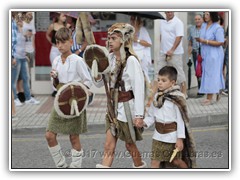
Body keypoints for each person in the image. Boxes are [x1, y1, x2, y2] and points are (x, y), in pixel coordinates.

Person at [93, 23, 147, 168]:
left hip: (126, 109)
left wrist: (139, 115)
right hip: (112, 109)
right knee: (108, 146)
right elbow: (99, 84)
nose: (110, 41)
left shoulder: (131, 61)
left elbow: (139, 89)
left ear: (123, 40)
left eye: (114, 38)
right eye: (109, 38)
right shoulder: (109, 58)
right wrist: (96, 72)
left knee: (130, 146)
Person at [45, 27, 92, 168]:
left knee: (74, 137)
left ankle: (75, 168)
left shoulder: (78, 60)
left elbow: (87, 80)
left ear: (71, 42)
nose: (60, 46)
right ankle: (61, 166)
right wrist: (54, 79)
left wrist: (80, 92)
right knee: (49, 135)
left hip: (75, 103)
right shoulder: (56, 61)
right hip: (59, 102)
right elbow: (55, 86)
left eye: (63, 42)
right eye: (57, 43)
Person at [137, 66, 196, 168]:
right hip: (158, 136)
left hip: (172, 137)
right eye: (158, 80)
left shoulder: (178, 97)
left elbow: (181, 120)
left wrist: (180, 139)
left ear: (172, 82)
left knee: (176, 161)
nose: (159, 82)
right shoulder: (156, 97)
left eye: (163, 80)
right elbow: (151, 116)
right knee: (154, 163)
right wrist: (144, 122)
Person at [196, 12, 225, 105]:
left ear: (212, 15)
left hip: (214, 55)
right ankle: (218, 90)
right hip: (205, 54)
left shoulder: (217, 28)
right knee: (207, 74)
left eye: (208, 14)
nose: (205, 16)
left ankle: (209, 98)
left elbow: (220, 42)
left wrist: (205, 41)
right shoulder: (204, 26)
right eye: (205, 14)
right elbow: (202, 38)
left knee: (212, 74)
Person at [11, 13, 40, 106]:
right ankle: (14, 98)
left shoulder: (22, 30)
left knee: (26, 78)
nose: (20, 20)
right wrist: (12, 57)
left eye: (21, 18)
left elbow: (24, 45)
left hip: (23, 57)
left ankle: (28, 98)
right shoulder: (13, 29)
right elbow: (11, 44)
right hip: (16, 57)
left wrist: (26, 55)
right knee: (14, 79)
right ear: (15, 20)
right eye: (18, 18)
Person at [157, 12, 187, 98]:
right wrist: (161, 48)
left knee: (179, 72)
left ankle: (184, 93)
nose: (170, 13)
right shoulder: (162, 22)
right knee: (159, 71)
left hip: (175, 53)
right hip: (163, 52)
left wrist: (172, 49)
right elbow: (161, 35)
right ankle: (160, 92)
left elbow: (179, 37)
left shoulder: (178, 22)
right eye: (168, 11)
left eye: (171, 11)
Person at [46, 12, 66, 97]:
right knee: (54, 69)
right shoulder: (53, 25)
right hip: (54, 49)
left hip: (62, 50)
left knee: (63, 68)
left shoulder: (66, 27)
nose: (64, 17)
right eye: (63, 16)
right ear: (58, 17)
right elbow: (47, 34)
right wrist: (52, 42)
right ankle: (54, 89)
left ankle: (62, 88)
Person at [130, 15, 152, 83]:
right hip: (132, 55)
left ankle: (148, 91)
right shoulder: (130, 31)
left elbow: (149, 44)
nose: (132, 21)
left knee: (144, 75)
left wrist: (137, 40)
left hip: (142, 56)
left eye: (134, 20)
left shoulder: (143, 30)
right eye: (131, 19)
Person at [188, 14, 204, 96]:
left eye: (199, 19)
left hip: (204, 53)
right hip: (195, 53)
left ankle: (205, 89)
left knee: (205, 71)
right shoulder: (191, 29)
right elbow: (190, 40)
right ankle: (200, 89)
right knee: (198, 72)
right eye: (196, 19)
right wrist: (189, 48)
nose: (197, 20)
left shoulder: (206, 28)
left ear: (202, 19)